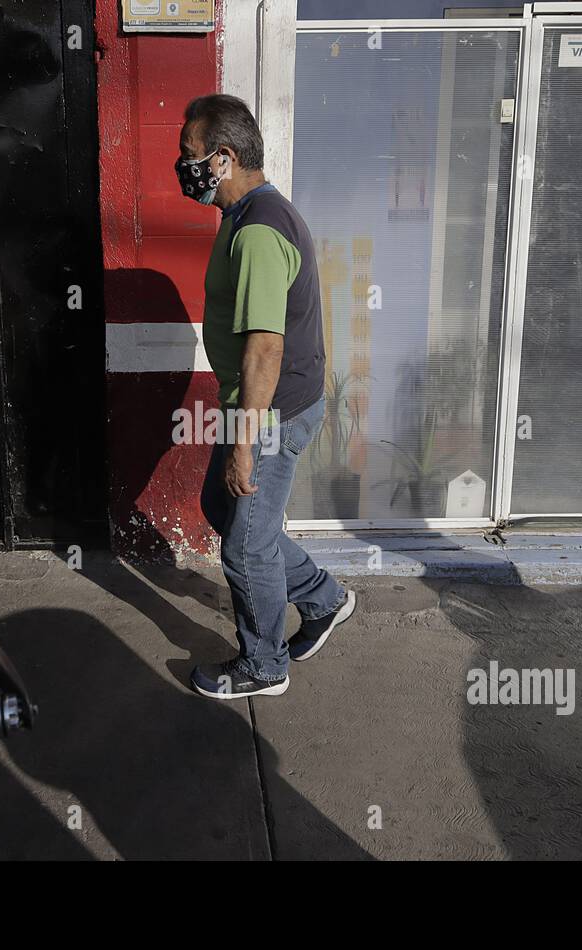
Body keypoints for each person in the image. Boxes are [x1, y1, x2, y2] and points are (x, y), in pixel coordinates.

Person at [175, 94, 357, 699]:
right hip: (257, 405)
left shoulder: (257, 229)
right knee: (225, 512)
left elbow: (264, 350)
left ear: (224, 158)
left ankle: (264, 665)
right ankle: (324, 598)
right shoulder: (251, 214)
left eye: (190, 156)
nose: (185, 168)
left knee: (246, 545)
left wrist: (246, 445)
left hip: (272, 412)